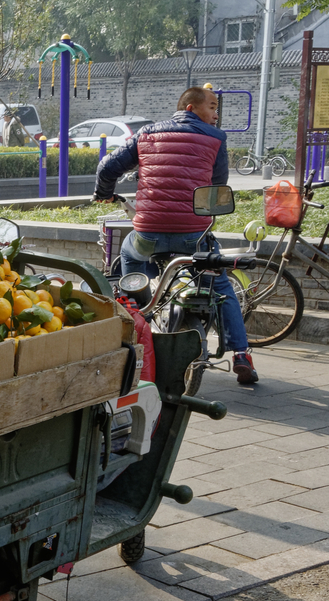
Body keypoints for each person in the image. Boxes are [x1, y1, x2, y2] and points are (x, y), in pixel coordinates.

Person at [93, 86, 257, 384]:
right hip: (192, 235)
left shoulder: (146, 134)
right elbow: (217, 186)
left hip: (149, 232)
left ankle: (137, 316)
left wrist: (104, 193)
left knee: (130, 256)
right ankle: (241, 354)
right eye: (212, 106)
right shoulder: (216, 139)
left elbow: (107, 167)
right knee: (220, 285)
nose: (216, 113)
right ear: (191, 108)